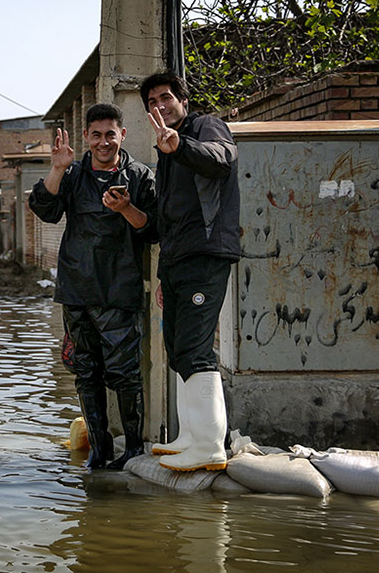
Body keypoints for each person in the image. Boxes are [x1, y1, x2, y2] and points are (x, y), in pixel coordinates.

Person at [29, 102, 157, 470]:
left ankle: (133, 448)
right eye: (96, 135)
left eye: (110, 135)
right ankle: (100, 450)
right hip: (76, 290)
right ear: (86, 137)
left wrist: (126, 210)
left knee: (125, 373)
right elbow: (45, 208)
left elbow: (153, 229)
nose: (104, 142)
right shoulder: (73, 175)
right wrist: (56, 167)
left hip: (119, 290)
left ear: (123, 135)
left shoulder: (140, 176)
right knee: (85, 373)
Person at [141, 71, 241, 472]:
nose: (160, 106)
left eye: (166, 97)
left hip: (206, 254)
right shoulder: (167, 154)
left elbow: (221, 160)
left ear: (183, 99)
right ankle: (192, 436)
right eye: (152, 102)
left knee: (197, 348)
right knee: (179, 348)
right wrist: (164, 276)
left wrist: (179, 144)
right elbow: (166, 222)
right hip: (179, 262)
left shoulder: (205, 127)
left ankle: (212, 445)